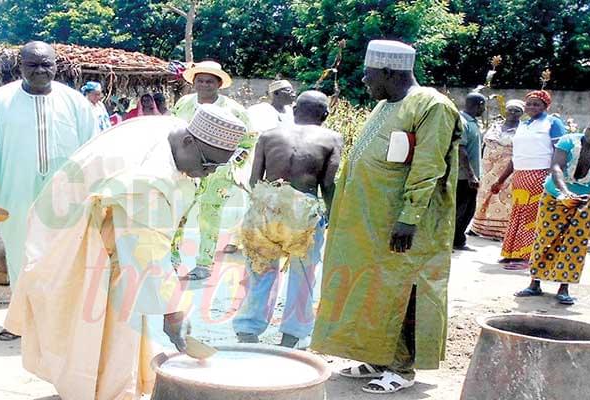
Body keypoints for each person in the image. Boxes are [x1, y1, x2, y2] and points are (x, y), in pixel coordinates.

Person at [4, 105, 247, 400]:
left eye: (217, 167)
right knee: (94, 315)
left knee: (121, 306)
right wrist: (175, 312)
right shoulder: (149, 177)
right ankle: (105, 391)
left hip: (99, 223)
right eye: (207, 164)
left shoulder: (170, 128)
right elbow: (149, 254)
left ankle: (115, 385)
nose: (207, 174)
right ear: (188, 141)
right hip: (71, 233)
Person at [311, 40, 462, 395]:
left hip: (404, 225)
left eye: (368, 75)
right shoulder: (386, 104)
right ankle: (377, 357)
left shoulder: (431, 106)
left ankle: (401, 367)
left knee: (401, 291)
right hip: (369, 222)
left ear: (389, 72)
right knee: (372, 289)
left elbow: (428, 166)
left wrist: (409, 217)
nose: (364, 81)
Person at [0, 41, 99, 341]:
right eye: (33, 65)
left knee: (63, 255)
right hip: (15, 190)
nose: (40, 70)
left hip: (67, 195)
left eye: (46, 64)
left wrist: (95, 188)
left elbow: (93, 147)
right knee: (19, 254)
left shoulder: (75, 102)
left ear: (56, 66)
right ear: (20, 67)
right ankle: (20, 320)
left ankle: (60, 321)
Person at [233, 90, 341, 348]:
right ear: (325, 115)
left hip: (266, 205)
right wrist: (334, 216)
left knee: (260, 270)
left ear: (294, 111)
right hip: (303, 210)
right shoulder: (332, 138)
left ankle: (248, 328)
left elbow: (254, 180)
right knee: (303, 275)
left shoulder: (268, 136)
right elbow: (327, 183)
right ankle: (292, 334)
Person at [515, 114, 590, 305]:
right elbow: (556, 167)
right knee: (545, 238)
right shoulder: (568, 141)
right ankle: (534, 283)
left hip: (584, 200)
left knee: (575, 243)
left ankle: (564, 287)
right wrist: (564, 192)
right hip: (554, 195)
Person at [171, 60, 251, 280]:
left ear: (218, 84)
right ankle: (173, 260)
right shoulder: (184, 104)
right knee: (179, 214)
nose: (204, 85)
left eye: (209, 81)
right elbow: (172, 131)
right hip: (185, 172)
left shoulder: (234, 110)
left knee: (209, 217)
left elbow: (248, 141)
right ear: (194, 83)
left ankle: (204, 264)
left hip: (217, 174)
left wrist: (230, 164)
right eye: (200, 81)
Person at [491, 90, 566, 269]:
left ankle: (527, 257)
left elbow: (560, 151)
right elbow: (516, 156)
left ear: (546, 106)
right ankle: (511, 252)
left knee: (532, 216)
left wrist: (554, 176)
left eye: (537, 104)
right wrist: (501, 180)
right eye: (529, 104)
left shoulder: (552, 123)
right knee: (517, 213)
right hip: (520, 175)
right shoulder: (523, 125)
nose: (532, 107)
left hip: (540, 174)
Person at [470, 99, 524, 239]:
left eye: (517, 111)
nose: (512, 113)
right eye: (510, 109)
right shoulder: (495, 126)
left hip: (508, 169)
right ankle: (478, 227)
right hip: (488, 168)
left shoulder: (523, 130)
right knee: (483, 195)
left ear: (522, 114)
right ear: (505, 110)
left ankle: (500, 231)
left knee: (504, 198)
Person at [454, 92, 486, 251]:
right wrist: (471, 175)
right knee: (460, 210)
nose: (484, 110)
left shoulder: (472, 122)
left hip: (468, 176)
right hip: (462, 177)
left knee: (468, 209)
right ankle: (455, 241)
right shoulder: (463, 121)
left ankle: (458, 240)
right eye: (484, 106)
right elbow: (461, 150)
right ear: (479, 104)